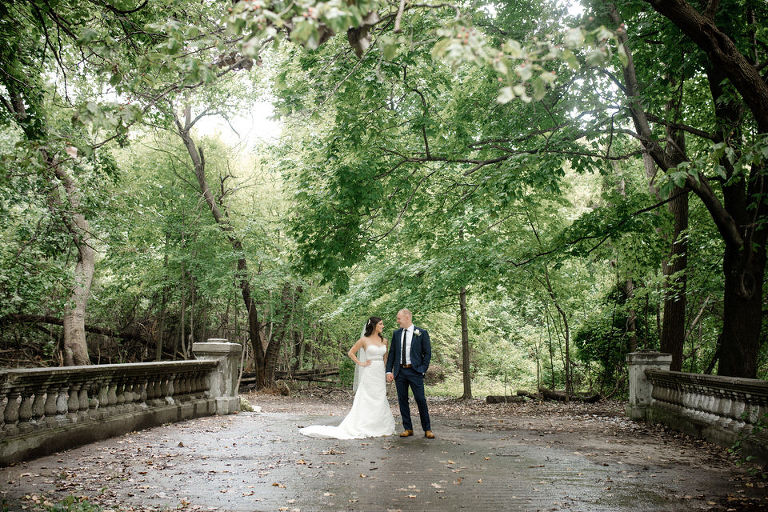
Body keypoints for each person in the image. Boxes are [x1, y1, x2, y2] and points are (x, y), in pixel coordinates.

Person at [299, 316, 395, 439]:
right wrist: (361, 363)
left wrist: (387, 372)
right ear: (374, 325)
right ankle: (364, 425)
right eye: (380, 324)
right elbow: (351, 352)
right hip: (369, 372)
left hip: (379, 372)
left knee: (380, 397)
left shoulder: (384, 341)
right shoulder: (364, 340)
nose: (383, 326)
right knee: (367, 397)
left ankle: (379, 425)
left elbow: (385, 358)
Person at [386, 309, 434, 439]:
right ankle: (408, 428)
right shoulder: (396, 334)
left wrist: (423, 369)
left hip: (415, 371)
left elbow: (427, 353)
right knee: (402, 400)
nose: (397, 321)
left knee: (420, 399)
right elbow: (392, 353)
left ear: (407, 318)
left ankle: (427, 429)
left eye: (399, 318)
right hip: (400, 372)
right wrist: (389, 370)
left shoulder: (421, 333)